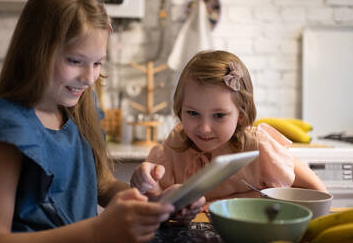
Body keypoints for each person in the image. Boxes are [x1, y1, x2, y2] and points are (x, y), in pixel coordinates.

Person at [0, 0, 205, 243]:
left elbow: (103, 185)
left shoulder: (78, 109)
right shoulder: (4, 126)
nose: (89, 78)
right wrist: (98, 232)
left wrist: (155, 204)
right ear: (36, 51)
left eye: (97, 63)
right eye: (75, 61)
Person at [130, 50, 327, 206]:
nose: (205, 128)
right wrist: (148, 183)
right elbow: (157, 204)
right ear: (180, 109)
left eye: (219, 115)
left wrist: (237, 200)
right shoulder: (176, 145)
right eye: (192, 113)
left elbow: (318, 192)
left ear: (240, 115)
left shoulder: (258, 147)